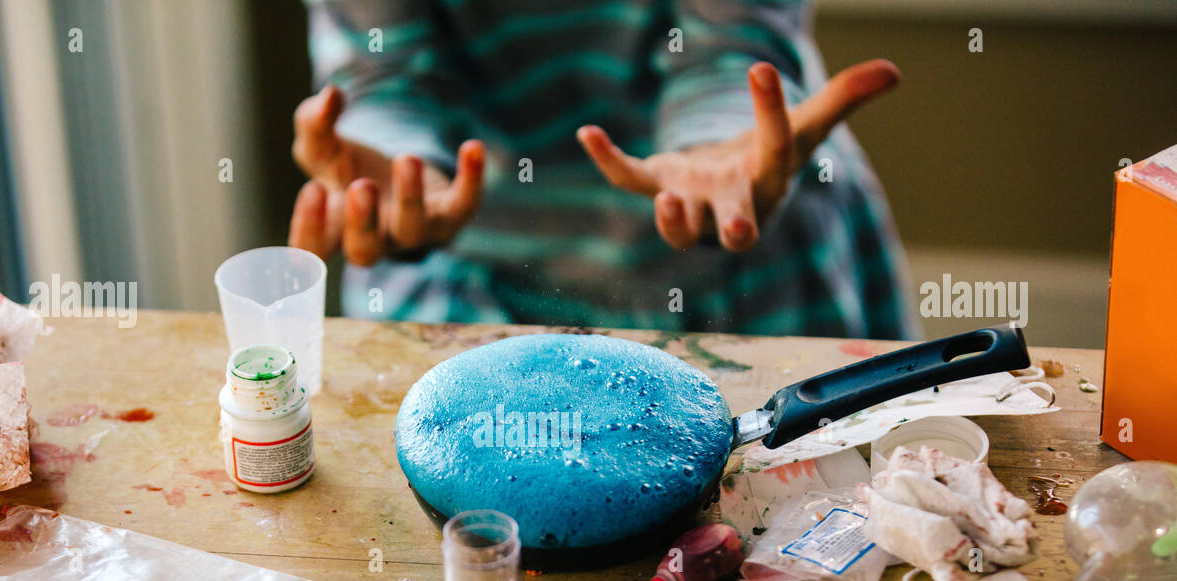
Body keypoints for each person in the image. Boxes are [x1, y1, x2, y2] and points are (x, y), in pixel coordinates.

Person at [288, 0, 916, 338]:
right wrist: (396, 173)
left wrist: (714, 150)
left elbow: (731, 48)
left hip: (743, 276)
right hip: (465, 286)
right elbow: (383, 71)